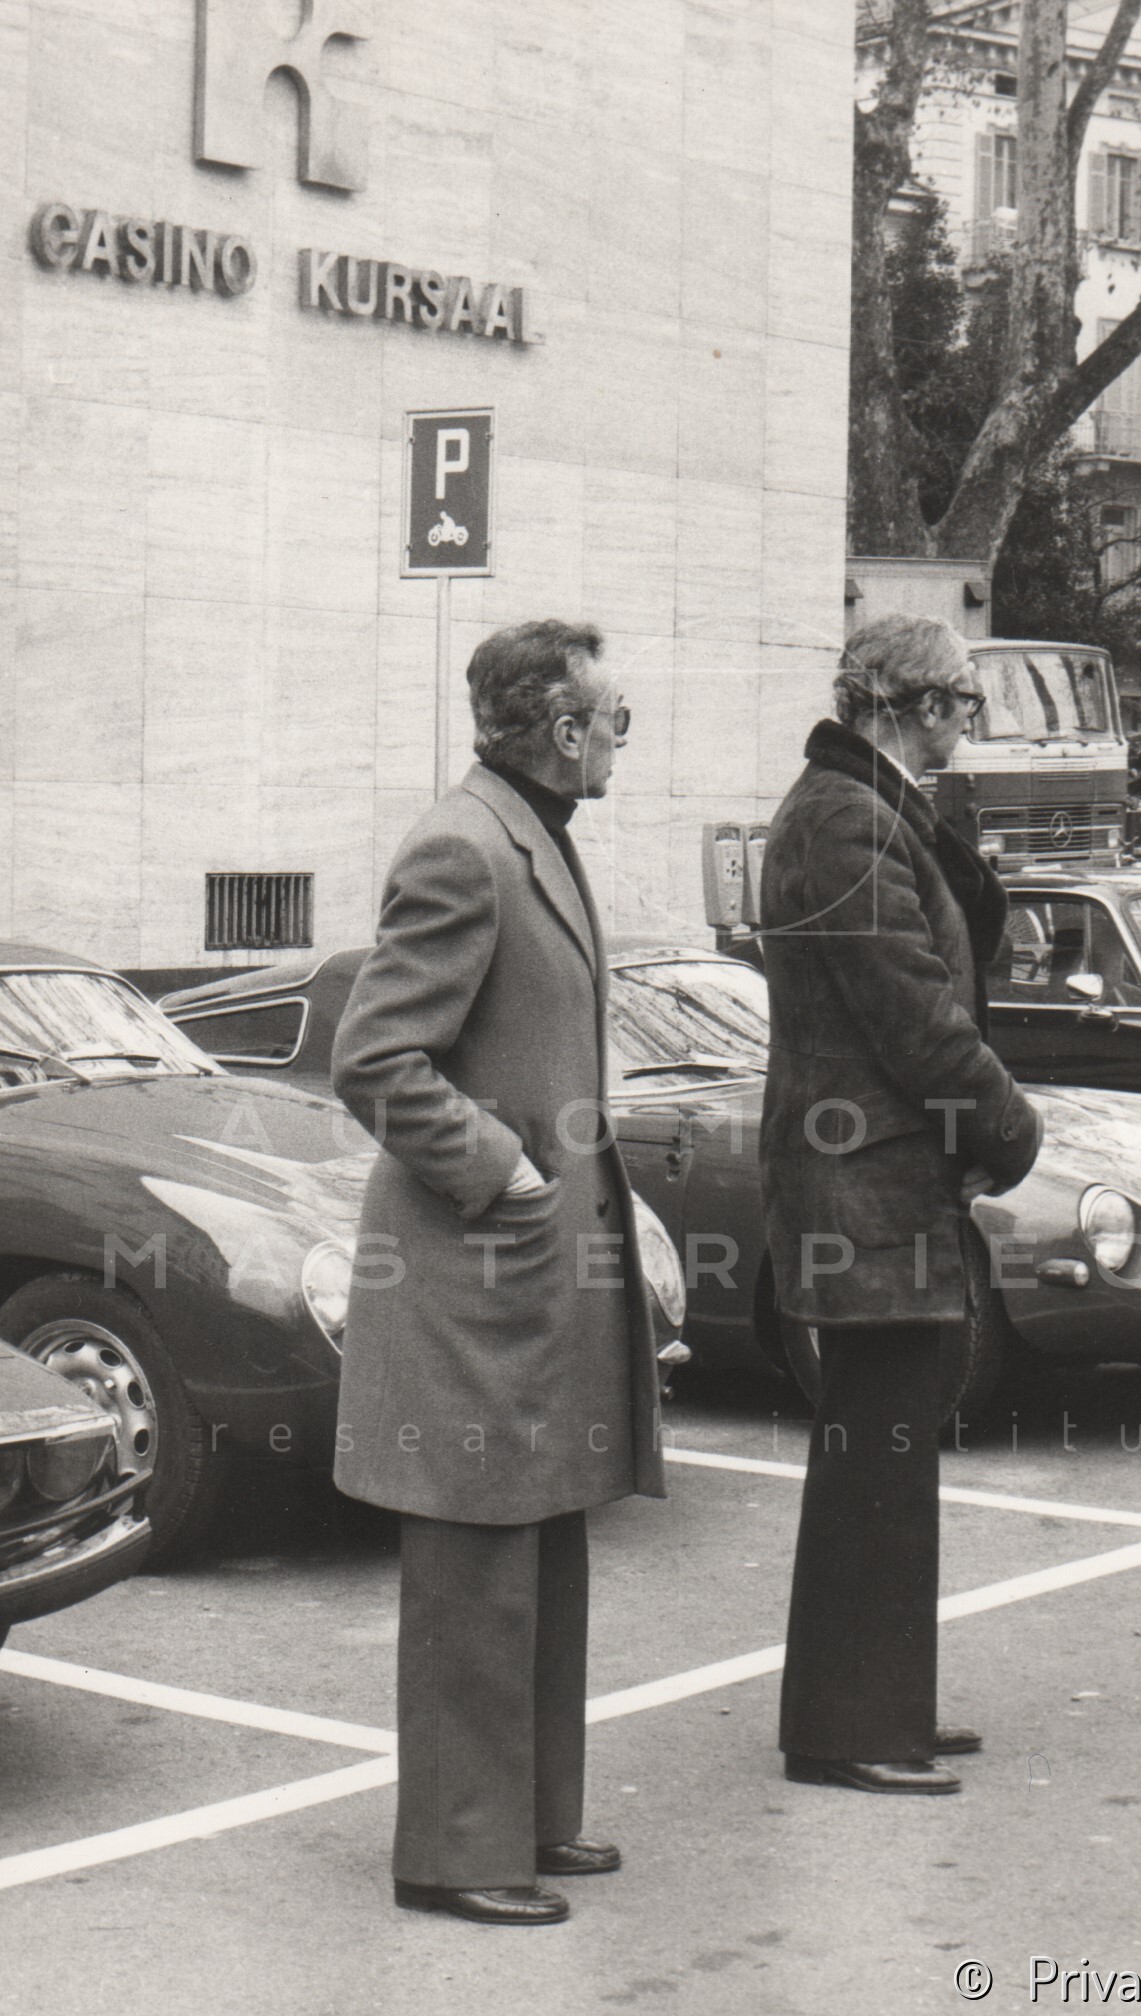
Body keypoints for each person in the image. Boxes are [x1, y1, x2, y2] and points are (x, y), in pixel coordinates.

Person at [332, 619, 664, 1922]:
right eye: (614, 718)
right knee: (476, 1561)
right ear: (561, 730)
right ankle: (458, 1854)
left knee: (541, 1543)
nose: (622, 738)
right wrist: (507, 1171)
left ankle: (530, 1817)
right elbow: (376, 1059)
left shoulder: (530, 832)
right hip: (476, 1270)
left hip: (526, 1274)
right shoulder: (465, 847)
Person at [757, 613, 1041, 1796]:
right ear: (918, 705)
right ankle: (851, 1729)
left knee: (884, 1452)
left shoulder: (862, 806)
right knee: (873, 1459)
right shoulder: (845, 817)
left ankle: (878, 1706)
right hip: (863, 1180)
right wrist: (1012, 1132)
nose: (970, 723)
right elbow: (915, 1015)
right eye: (965, 703)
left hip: (877, 1174)